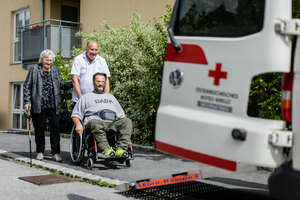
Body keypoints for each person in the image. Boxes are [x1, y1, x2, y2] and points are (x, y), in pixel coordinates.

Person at [23, 49, 73, 162]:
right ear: (42, 59)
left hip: (53, 104)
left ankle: (55, 153)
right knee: (39, 130)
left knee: (55, 130)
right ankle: (40, 151)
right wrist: (27, 101)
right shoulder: (34, 69)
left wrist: (72, 83)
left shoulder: (55, 70)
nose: (49, 62)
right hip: (38, 104)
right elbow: (27, 86)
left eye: (51, 60)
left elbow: (60, 84)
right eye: (47, 60)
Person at [71, 72, 132, 158]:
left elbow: (122, 115)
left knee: (127, 121)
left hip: (112, 123)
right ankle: (106, 149)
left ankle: (121, 149)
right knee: (95, 123)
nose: (101, 84)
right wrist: (78, 125)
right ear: (93, 82)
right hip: (95, 123)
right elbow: (75, 115)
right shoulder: (86, 97)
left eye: (103, 82)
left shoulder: (111, 97)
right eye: (98, 81)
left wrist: (124, 123)